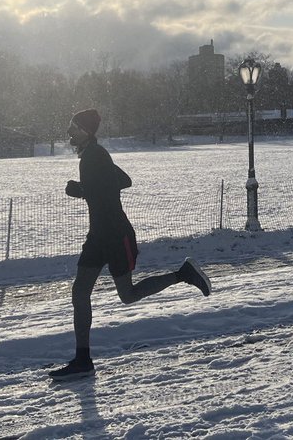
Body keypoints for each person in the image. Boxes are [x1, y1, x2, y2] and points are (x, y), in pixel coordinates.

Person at [51, 108, 212, 380]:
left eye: (73, 126)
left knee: (127, 295)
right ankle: (83, 360)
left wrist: (80, 190)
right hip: (98, 236)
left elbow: (109, 188)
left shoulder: (94, 156)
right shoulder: (93, 155)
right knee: (80, 292)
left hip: (115, 236)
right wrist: (91, 187)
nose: (69, 132)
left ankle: (183, 274)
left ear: (86, 131)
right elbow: (122, 181)